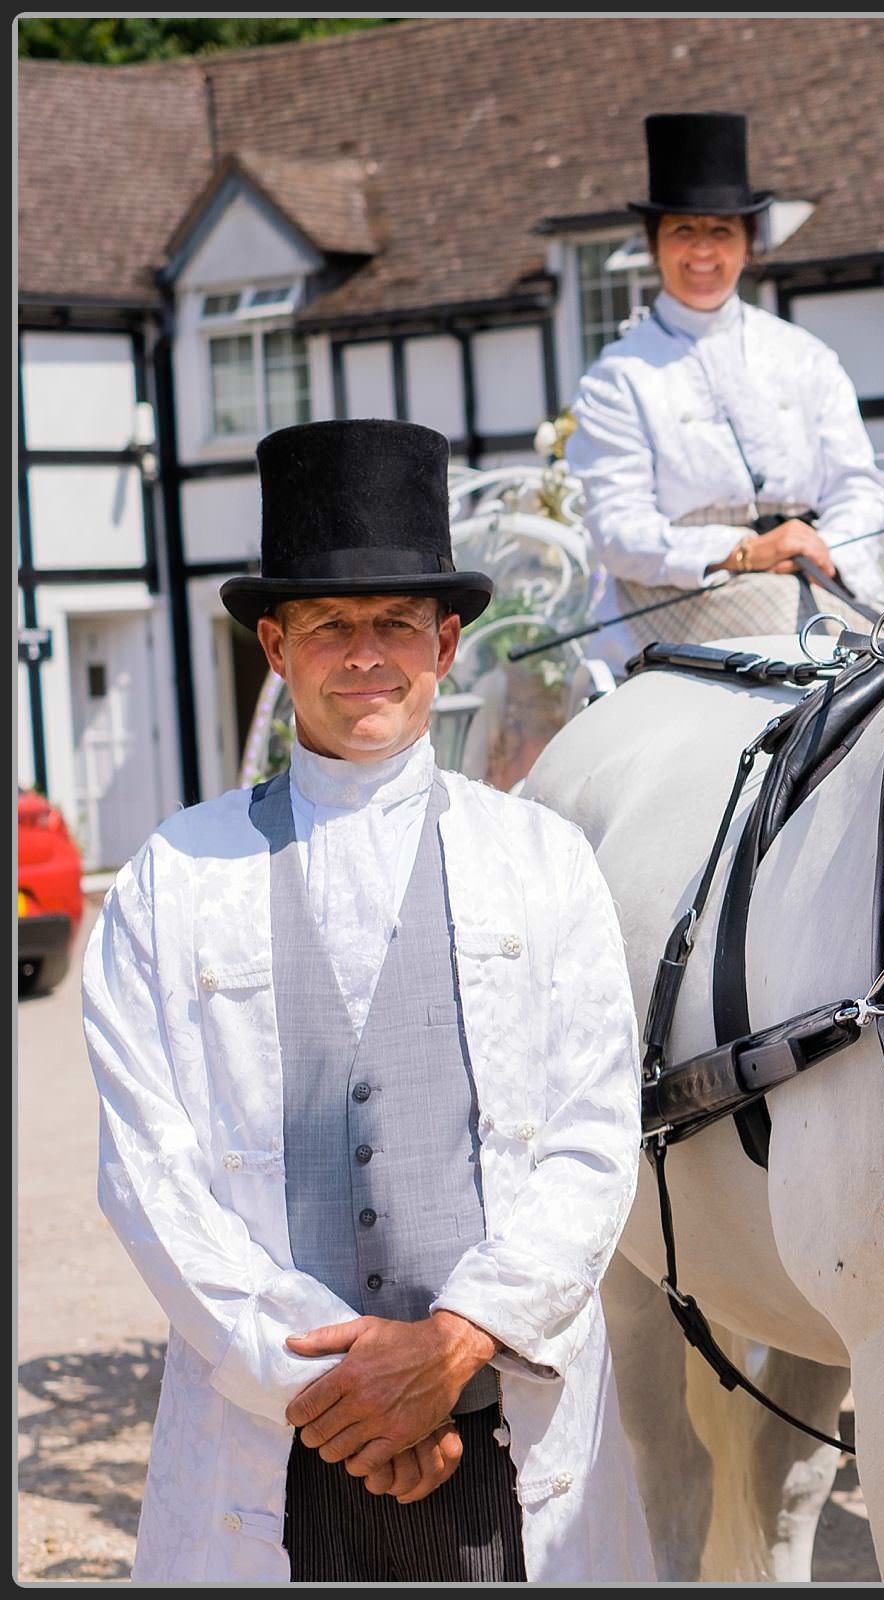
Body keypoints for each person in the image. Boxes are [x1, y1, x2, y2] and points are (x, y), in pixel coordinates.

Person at [82, 419, 654, 1582]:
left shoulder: (545, 863)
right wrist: (340, 1389)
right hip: (273, 1456)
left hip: (503, 1446)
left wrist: (449, 1351)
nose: (365, 655)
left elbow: (596, 1142)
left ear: (446, 643)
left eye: (396, 622)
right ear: (274, 646)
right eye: (331, 626)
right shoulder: (171, 879)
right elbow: (149, 1176)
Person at [568, 111, 884, 650]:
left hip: (818, 568)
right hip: (682, 588)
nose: (702, 251)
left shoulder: (805, 355)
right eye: (683, 231)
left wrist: (821, 547)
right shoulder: (618, 378)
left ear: (748, 244)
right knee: (803, 630)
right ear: (654, 246)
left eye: (721, 231)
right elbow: (618, 530)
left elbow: (857, 484)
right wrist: (743, 551)